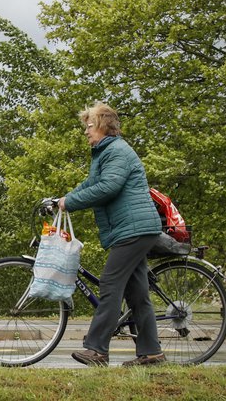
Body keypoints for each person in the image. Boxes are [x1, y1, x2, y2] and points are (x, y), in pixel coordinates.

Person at [58, 102, 166, 367]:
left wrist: (70, 203)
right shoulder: (104, 153)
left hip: (135, 228)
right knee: (138, 295)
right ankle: (152, 353)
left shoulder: (117, 151)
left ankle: (97, 350)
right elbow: (92, 184)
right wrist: (64, 198)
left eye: (90, 126)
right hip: (132, 228)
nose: (86, 131)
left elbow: (108, 187)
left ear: (104, 125)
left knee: (110, 283)